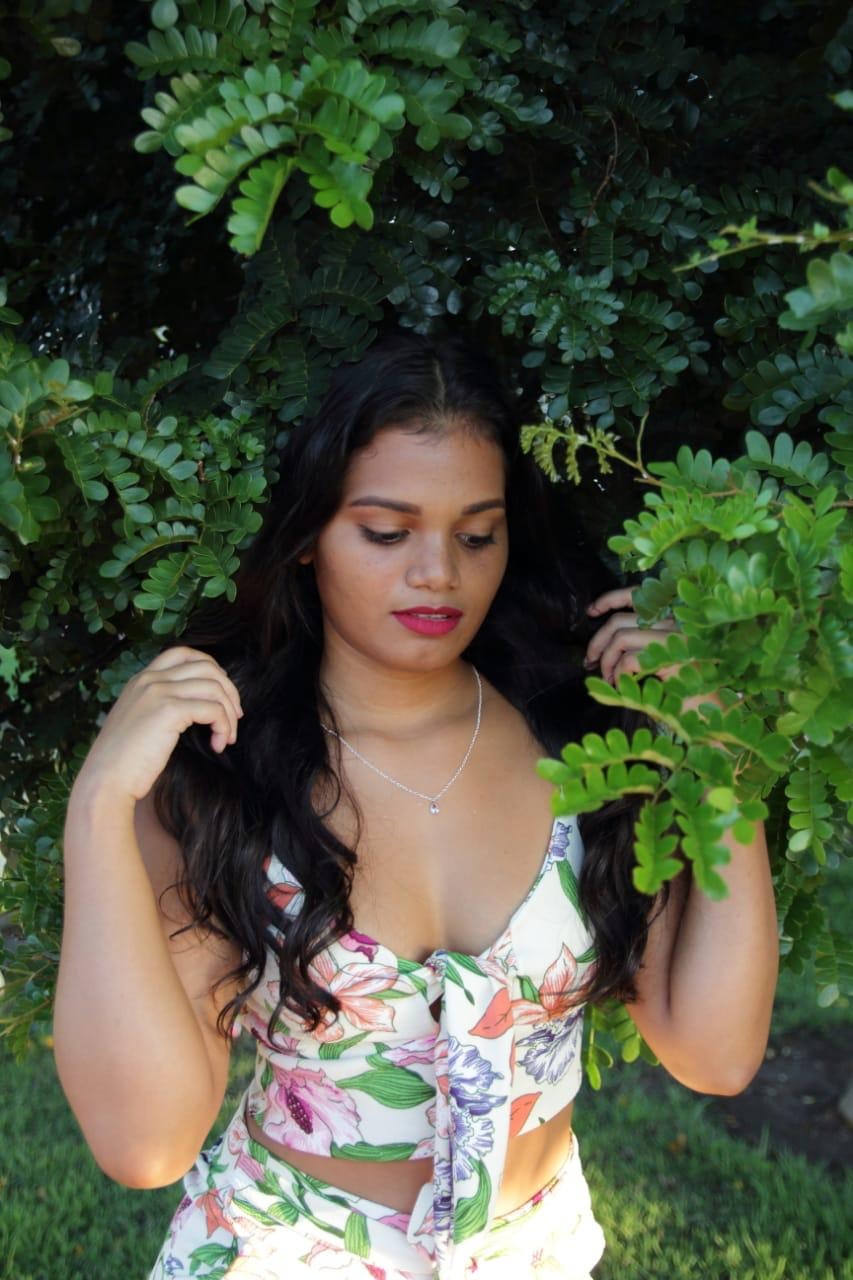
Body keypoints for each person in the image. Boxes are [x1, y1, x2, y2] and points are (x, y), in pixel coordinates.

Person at [53, 329, 779, 1279]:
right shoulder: (228, 771)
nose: (438, 571)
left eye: (475, 534)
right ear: (309, 537)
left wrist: (718, 757)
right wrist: (99, 806)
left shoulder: (592, 742)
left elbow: (715, 1055)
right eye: (386, 533)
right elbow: (145, 1147)